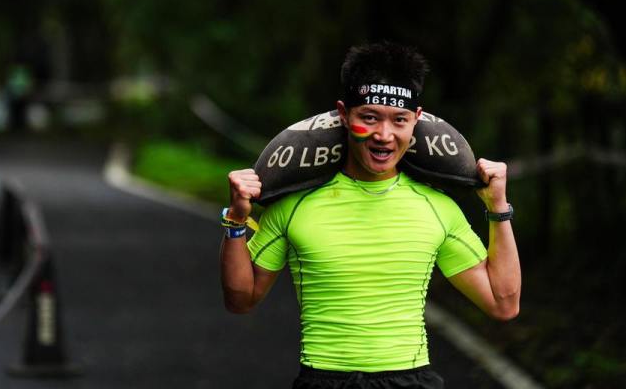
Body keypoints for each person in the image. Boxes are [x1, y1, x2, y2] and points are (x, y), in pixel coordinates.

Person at [220, 42, 521, 388]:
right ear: (344, 115)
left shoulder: (437, 207)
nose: (384, 135)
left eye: (399, 121)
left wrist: (498, 208)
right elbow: (241, 299)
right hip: (324, 380)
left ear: (416, 120)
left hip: (410, 381)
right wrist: (236, 221)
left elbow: (503, 303)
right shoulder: (294, 204)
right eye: (369, 117)